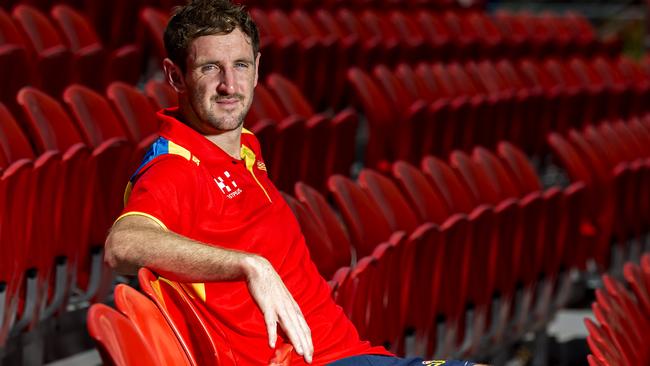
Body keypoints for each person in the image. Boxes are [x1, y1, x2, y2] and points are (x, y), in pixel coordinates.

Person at [105, 1, 485, 365]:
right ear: (175, 76)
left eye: (239, 65)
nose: (229, 85)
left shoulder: (245, 148)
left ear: (257, 68)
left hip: (347, 353)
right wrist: (250, 266)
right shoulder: (176, 165)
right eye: (209, 68)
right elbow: (123, 244)